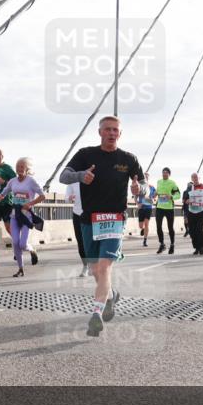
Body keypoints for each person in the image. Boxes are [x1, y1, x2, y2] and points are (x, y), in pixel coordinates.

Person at [59, 115, 143, 337]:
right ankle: (111, 295)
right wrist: (81, 175)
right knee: (96, 271)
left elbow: (143, 184)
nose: (112, 133)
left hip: (115, 219)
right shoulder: (86, 154)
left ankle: (96, 314)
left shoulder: (129, 159)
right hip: (89, 220)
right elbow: (63, 176)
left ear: (120, 134)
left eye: (115, 130)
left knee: (104, 267)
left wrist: (139, 189)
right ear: (100, 132)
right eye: (108, 129)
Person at [0, 158, 46, 277]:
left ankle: (32, 250)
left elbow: (42, 196)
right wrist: (1, 196)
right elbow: (6, 190)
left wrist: (30, 204)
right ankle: (20, 269)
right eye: (18, 167)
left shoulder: (31, 181)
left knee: (23, 244)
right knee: (15, 242)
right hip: (14, 215)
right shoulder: (12, 181)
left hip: (26, 217)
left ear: (26, 169)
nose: (19, 169)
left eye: (22, 167)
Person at [154, 167, 180, 255]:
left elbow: (178, 194)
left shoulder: (172, 183)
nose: (164, 174)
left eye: (166, 173)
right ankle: (162, 244)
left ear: (169, 174)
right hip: (159, 207)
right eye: (163, 172)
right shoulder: (159, 182)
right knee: (158, 227)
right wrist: (154, 195)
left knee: (170, 228)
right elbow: (158, 192)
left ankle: (172, 245)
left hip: (169, 208)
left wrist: (171, 197)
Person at [65, 179, 88, 277]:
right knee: (81, 241)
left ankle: (96, 264)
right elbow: (66, 198)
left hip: (91, 212)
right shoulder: (72, 179)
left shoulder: (93, 175)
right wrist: (69, 198)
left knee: (93, 240)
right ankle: (85, 266)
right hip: (77, 213)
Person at [186, 173, 203, 255]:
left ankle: (201, 247)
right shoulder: (189, 187)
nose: (195, 179)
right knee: (192, 231)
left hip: (201, 211)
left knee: (199, 230)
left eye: (196, 177)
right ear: (192, 179)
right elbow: (185, 200)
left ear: (199, 178)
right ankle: (196, 247)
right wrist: (187, 201)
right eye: (193, 177)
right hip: (191, 212)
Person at [136, 172, 156, 247]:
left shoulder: (152, 187)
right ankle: (143, 229)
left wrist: (154, 200)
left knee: (147, 223)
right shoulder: (140, 187)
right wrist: (138, 203)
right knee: (141, 226)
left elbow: (155, 197)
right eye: (145, 177)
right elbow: (135, 196)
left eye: (147, 177)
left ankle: (145, 240)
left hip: (148, 207)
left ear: (148, 178)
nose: (146, 178)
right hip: (141, 208)